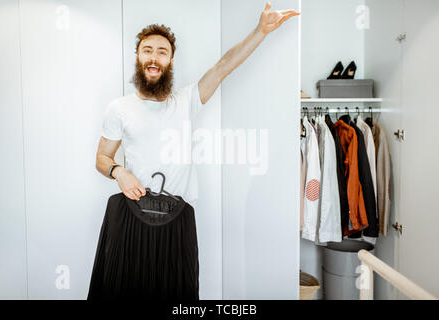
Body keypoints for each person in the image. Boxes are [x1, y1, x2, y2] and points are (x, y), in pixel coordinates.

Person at [95, 2, 300, 207]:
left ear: (171, 61)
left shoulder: (186, 100)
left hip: (178, 213)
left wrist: (260, 31)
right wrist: (118, 172)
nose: (154, 58)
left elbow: (223, 67)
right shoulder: (119, 108)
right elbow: (103, 157)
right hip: (134, 209)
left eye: (162, 52)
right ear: (138, 57)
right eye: (147, 50)